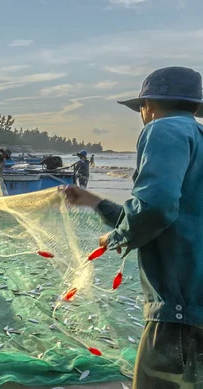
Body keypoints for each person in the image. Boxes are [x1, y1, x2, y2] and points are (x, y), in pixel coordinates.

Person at [64, 66, 203, 389]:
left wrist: (117, 236)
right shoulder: (197, 139)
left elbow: (156, 207)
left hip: (178, 314)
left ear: (148, 106)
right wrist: (95, 202)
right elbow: (174, 216)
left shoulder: (162, 129)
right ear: (195, 107)